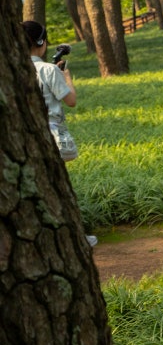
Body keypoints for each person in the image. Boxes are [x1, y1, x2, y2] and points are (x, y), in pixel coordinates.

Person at [22, 20, 97, 247]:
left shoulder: (13, 69)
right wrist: (66, 77)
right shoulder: (48, 70)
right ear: (42, 43)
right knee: (58, 189)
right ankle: (74, 240)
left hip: (24, 137)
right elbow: (71, 100)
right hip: (51, 136)